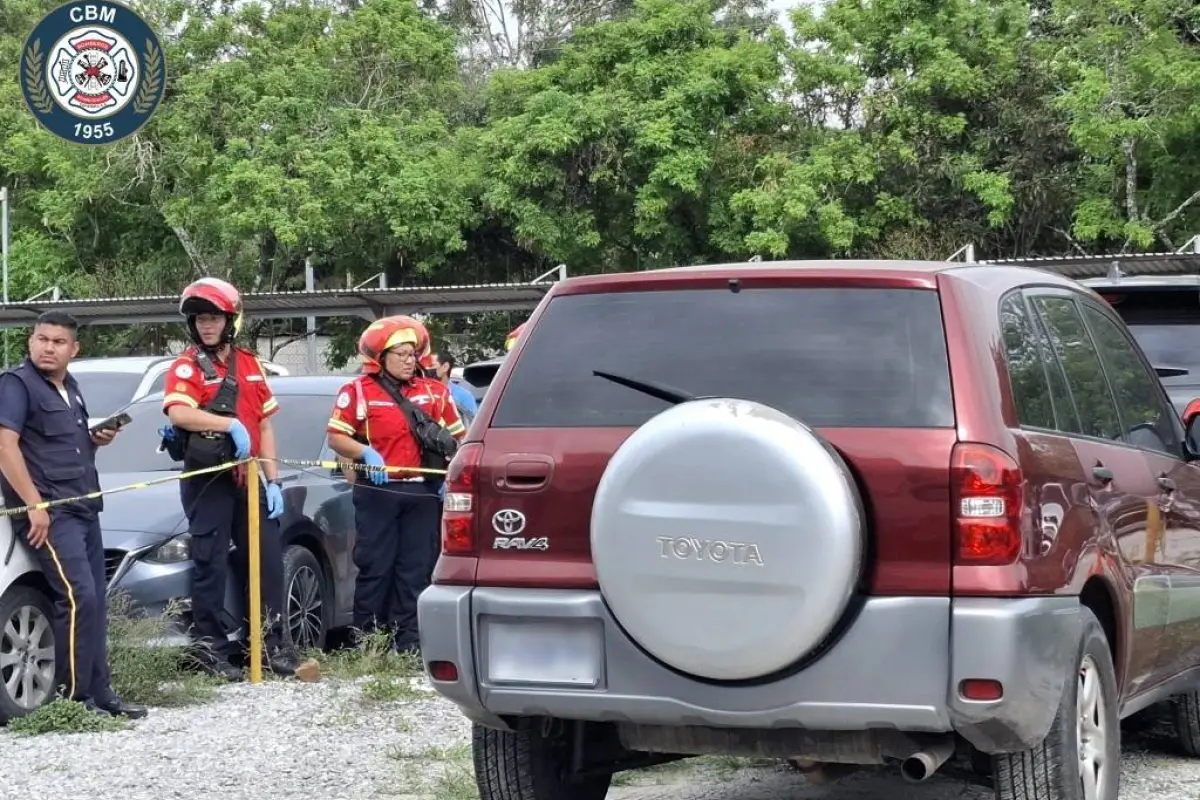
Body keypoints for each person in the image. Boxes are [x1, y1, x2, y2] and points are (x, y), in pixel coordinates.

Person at [0, 312, 147, 719]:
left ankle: (103, 695)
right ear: (30, 342)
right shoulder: (17, 385)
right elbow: (5, 446)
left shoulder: (71, 388)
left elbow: (68, 449)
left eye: (58, 342)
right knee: (77, 597)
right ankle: (75, 701)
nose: (48, 348)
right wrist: (34, 504)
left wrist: (96, 440)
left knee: (96, 600)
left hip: (84, 506)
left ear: (74, 349)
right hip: (53, 511)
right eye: (42, 339)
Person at [160, 277, 301, 681]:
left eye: (214, 318)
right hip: (208, 480)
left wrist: (273, 481)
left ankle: (273, 647)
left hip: (250, 478)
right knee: (210, 563)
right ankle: (211, 651)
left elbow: (266, 427)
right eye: (200, 318)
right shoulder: (185, 366)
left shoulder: (251, 364)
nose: (207, 325)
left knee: (267, 563)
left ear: (230, 321)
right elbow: (179, 413)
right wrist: (227, 424)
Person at [326, 316, 466, 654]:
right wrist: (365, 452)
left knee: (415, 570)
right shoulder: (357, 391)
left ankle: (411, 644)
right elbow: (335, 436)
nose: (408, 360)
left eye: (412, 353)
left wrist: (452, 476)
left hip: (422, 493)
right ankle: (370, 643)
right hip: (378, 492)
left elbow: (458, 439)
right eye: (400, 353)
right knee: (376, 567)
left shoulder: (435, 391)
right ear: (380, 358)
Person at [430, 349, 478, 426]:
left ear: (445, 367)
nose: (426, 369)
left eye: (431, 366)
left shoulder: (464, 396)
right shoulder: (422, 394)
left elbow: (474, 426)